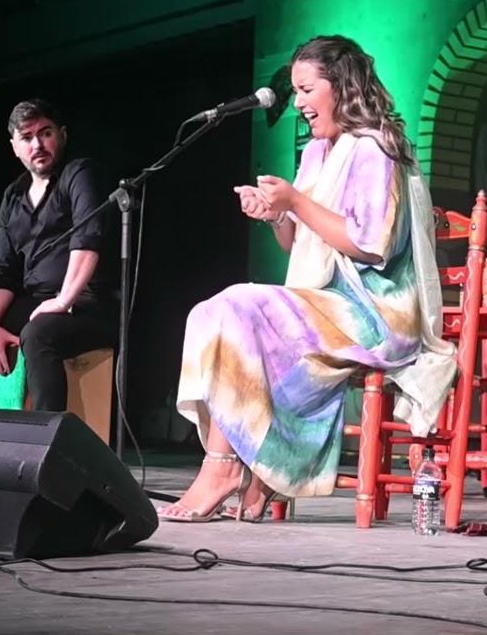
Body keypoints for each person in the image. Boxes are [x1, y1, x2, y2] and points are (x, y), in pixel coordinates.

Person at [156, 35, 460, 523]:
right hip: (327, 302)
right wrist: (276, 215)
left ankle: (226, 468)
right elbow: (297, 244)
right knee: (210, 313)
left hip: (375, 311)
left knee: (237, 308)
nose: (297, 103)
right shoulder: (318, 152)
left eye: (306, 89)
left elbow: (369, 244)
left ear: (341, 85)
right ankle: (253, 468)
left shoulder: (376, 148)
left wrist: (295, 202)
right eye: (295, 91)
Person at [0, 99, 118, 411]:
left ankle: (47, 437)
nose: (37, 144)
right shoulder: (13, 196)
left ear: (62, 135)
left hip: (88, 303)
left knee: (38, 333)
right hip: (36, 302)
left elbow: (88, 237)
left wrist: (63, 301)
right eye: (27, 137)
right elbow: (4, 270)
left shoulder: (79, 173)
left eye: (45, 133)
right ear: (15, 147)